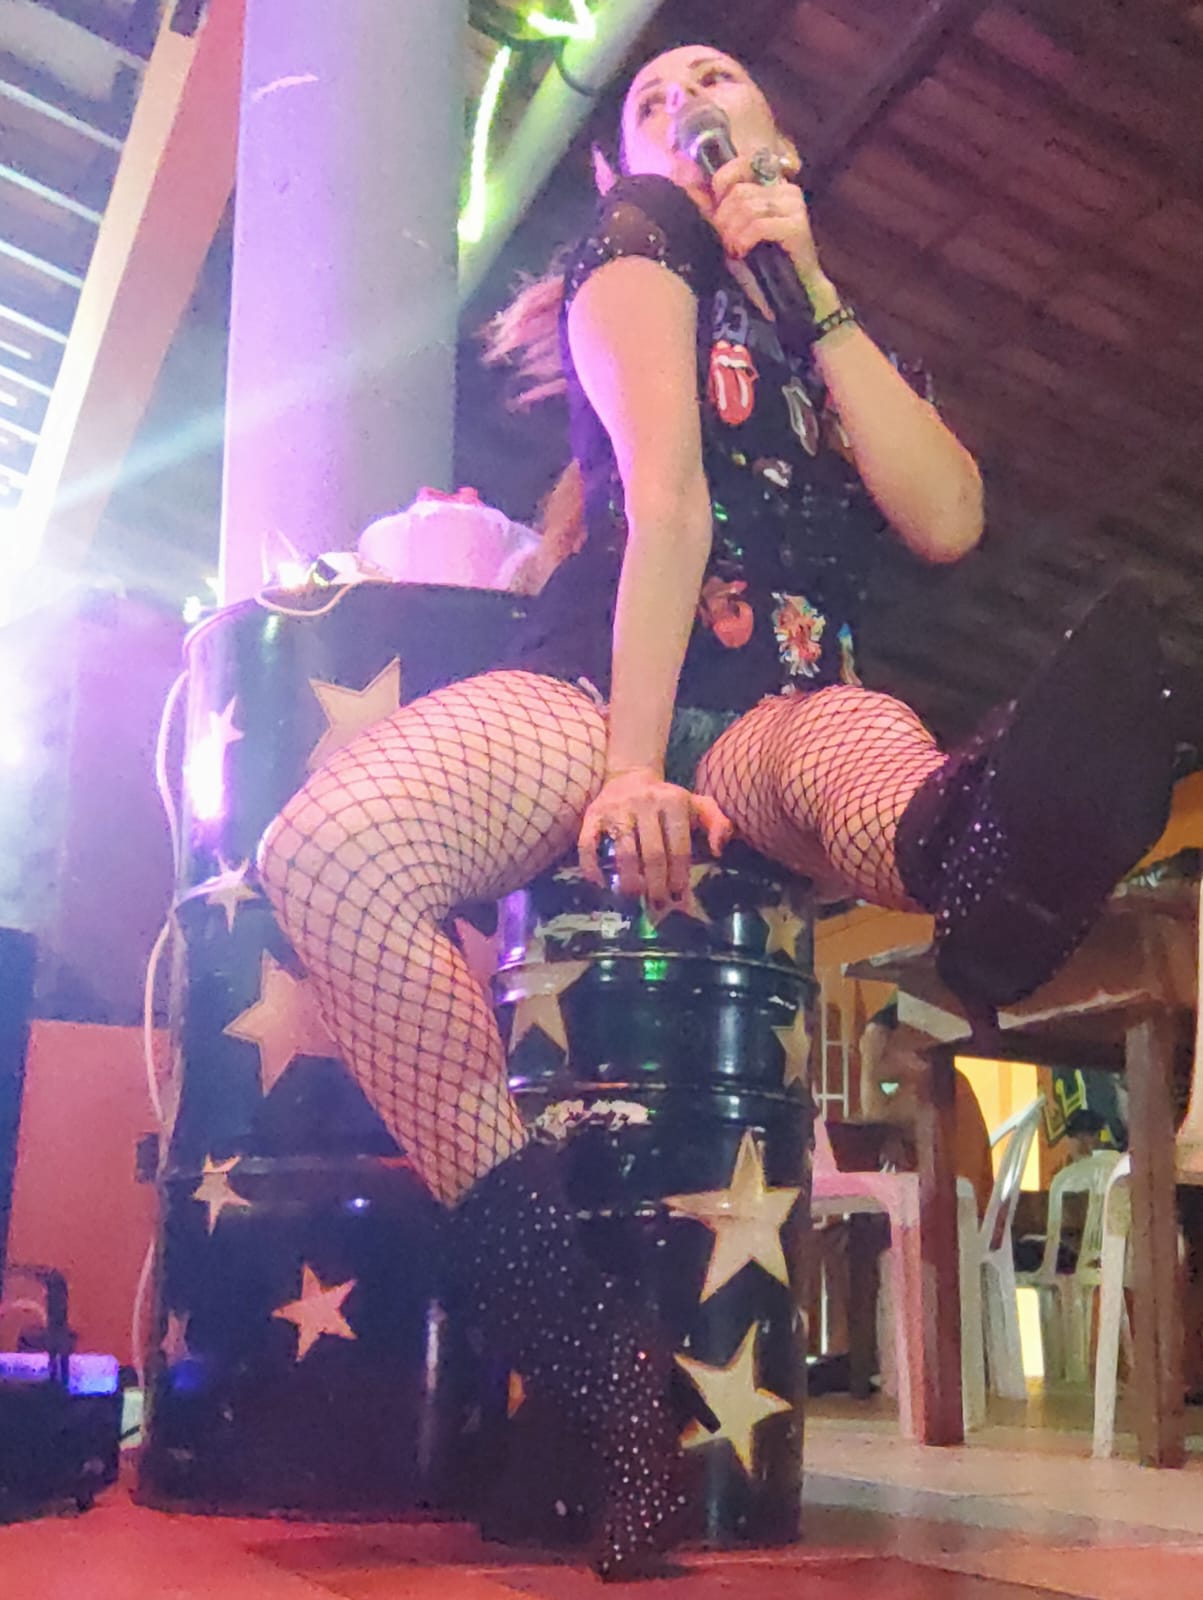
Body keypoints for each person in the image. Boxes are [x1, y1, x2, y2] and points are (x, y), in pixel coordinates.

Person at [257, 46, 1174, 1577]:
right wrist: (630, 767)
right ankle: (591, 1355)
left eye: (720, 76)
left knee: (867, 746)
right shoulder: (638, 241)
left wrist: (814, 289)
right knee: (328, 855)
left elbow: (949, 514)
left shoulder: (822, 322)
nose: (688, 92)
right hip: (602, 691)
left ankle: (990, 859)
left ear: (780, 138)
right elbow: (670, 503)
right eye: (652, 97)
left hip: (783, 708)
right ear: (617, 166)